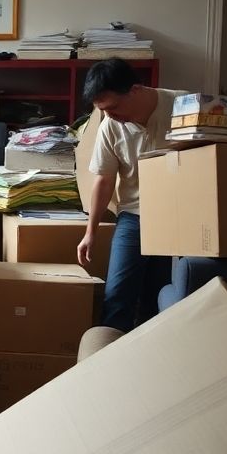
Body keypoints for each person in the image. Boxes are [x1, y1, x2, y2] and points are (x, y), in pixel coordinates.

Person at [76, 58, 185, 332]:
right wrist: (91, 232)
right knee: (117, 294)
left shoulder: (185, 106)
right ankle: (111, 351)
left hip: (179, 215)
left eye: (113, 107)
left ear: (135, 89)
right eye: (102, 110)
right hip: (134, 214)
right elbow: (104, 180)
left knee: (159, 295)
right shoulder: (110, 126)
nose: (109, 116)